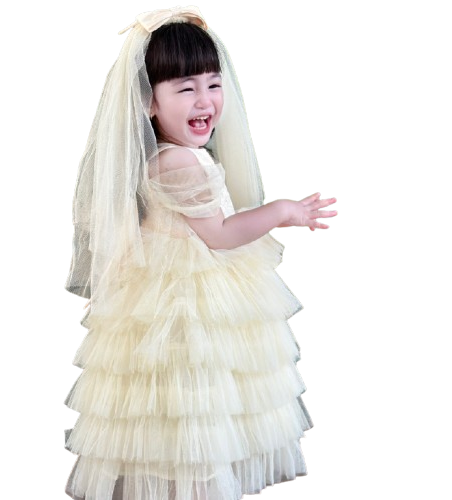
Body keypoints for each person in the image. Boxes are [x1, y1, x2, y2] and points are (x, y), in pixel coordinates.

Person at [63, 6, 337, 500]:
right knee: (194, 408)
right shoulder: (179, 163)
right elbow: (220, 235)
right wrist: (282, 211)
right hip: (184, 304)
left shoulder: (177, 155)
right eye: (185, 88)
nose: (205, 99)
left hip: (179, 291)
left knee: (190, 413)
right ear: (148, 101)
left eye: (213, 84)